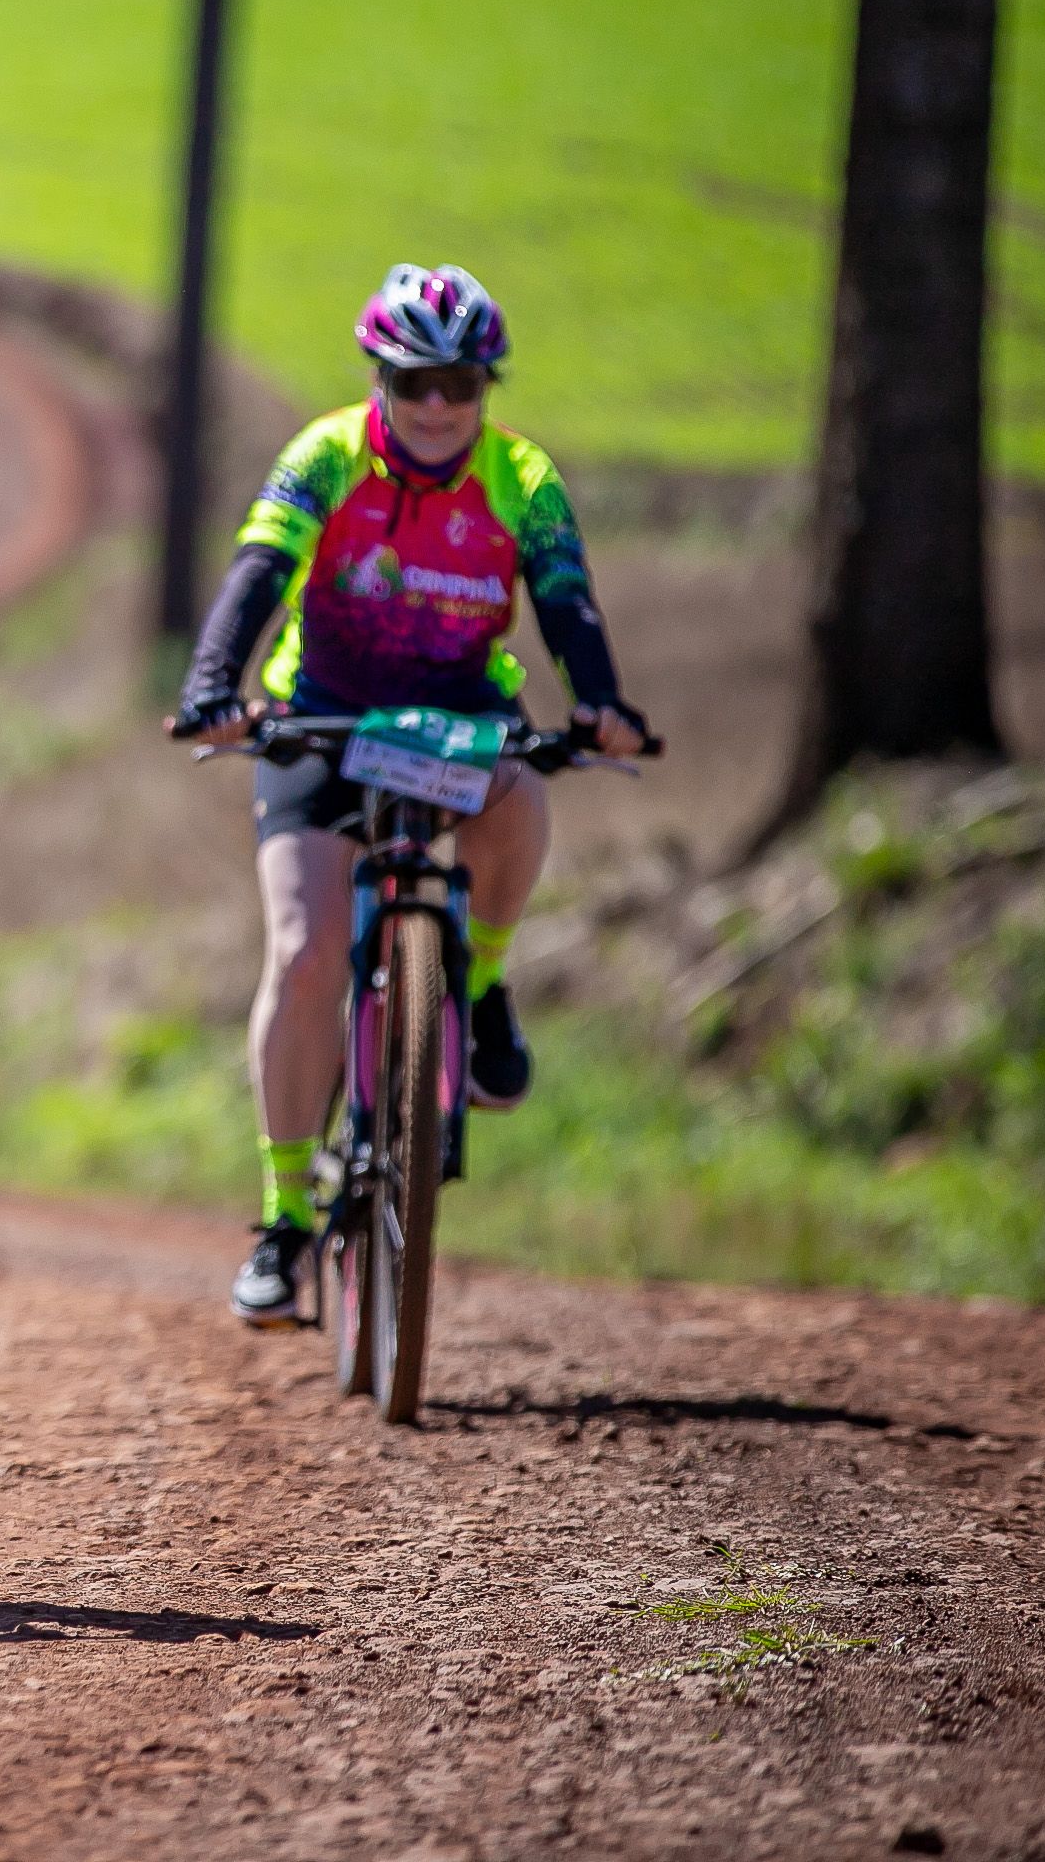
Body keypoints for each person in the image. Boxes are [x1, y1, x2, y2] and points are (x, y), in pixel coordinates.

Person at [166, 264, 648, 1328]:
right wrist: (212, 688)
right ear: (378, 380)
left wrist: (602, 703)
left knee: (519, 801)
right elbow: (258, 571)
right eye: (412, 382)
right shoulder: (326, 454)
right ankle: (285, 1217)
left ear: (486, 388)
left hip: (459, 715)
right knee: (304, 952)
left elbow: (567, 602)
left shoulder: (523, 478)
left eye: (459, 384)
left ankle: (480, 983)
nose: (435, 406)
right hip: (324, 717)